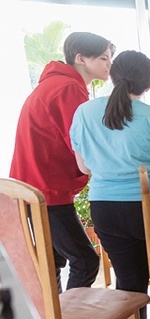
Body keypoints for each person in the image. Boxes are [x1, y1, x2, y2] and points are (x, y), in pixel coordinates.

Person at [70, 50, 150, 319]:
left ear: (112, 76)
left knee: (128, 285)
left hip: (106, 209)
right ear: (148, 85)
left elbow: (84, 167)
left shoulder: (84, 112)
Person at [10, 32, 114, 292]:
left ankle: (55, 318)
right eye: (103, 58)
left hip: (33, 185)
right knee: (86, 260)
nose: (108, 64)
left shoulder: (57, 83)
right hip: (46, 189)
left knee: (53, 260)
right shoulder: (67, 88)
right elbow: (82, 144)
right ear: (80, 58)